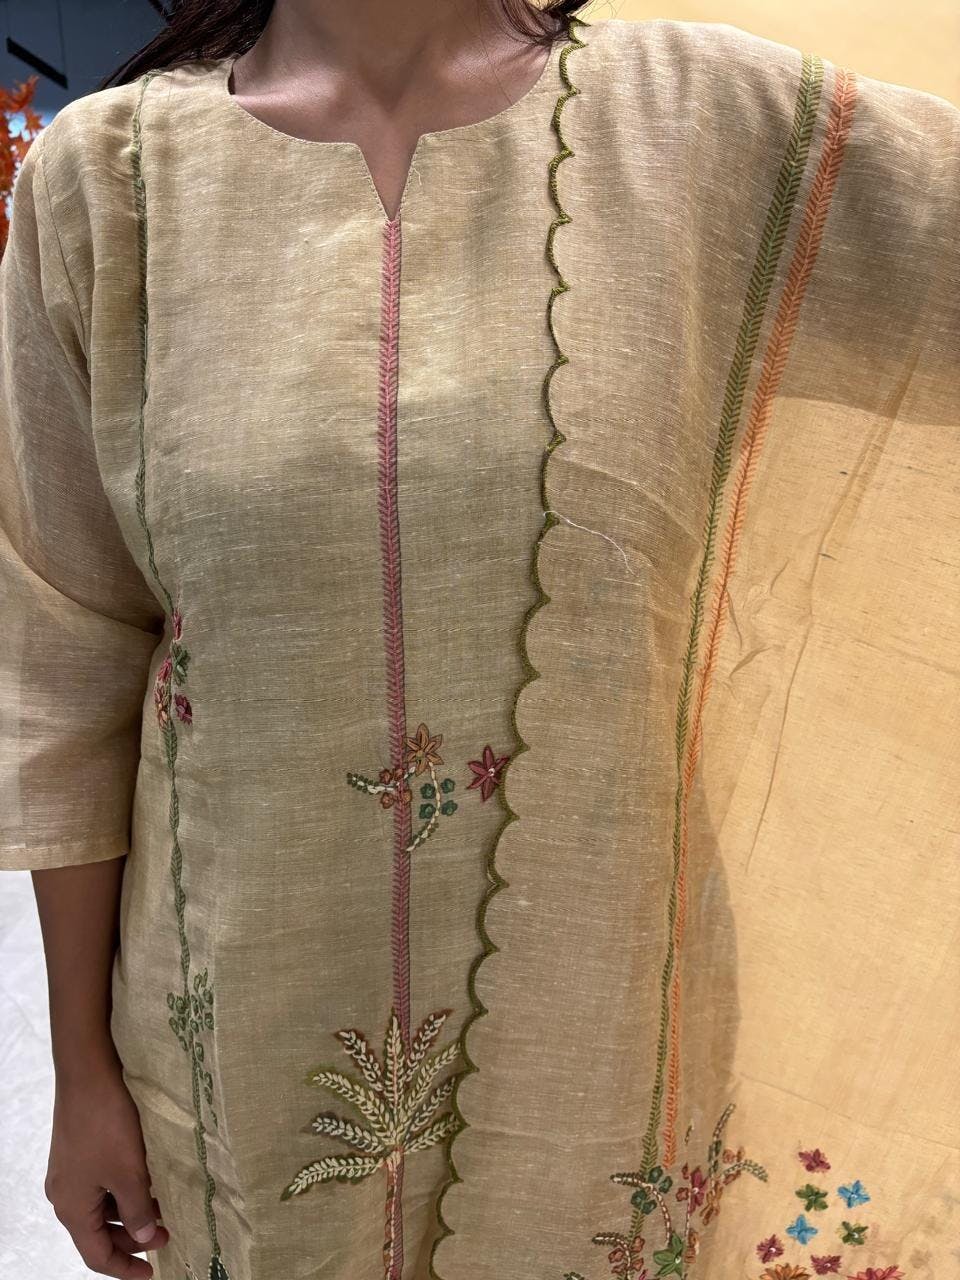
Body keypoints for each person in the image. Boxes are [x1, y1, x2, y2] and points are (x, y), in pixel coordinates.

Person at [1, 1, 957, 1278]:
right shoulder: (105, 187)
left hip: (605, 1011)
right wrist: (79, 1071)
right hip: (238, 1038)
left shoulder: (697, 126)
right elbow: (64, 655)